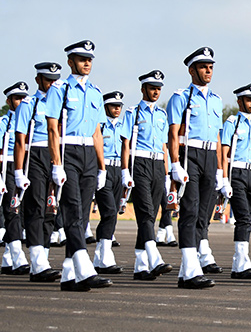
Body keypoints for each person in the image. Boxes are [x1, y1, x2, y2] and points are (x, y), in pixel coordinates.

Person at [46, 40, 113, 291]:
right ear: (70, 61)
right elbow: (53, 129)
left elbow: (97, 133)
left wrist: (102, 167)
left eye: (90, 59)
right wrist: (56, 163)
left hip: (88, 155)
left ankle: (68, 274)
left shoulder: (96, 92)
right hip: (68, 152)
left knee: (82, 215)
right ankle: (85, 269)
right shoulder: (60, 89)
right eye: (81, 58)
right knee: (72, 210)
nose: (87, 63)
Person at [167, 47, 224, 289]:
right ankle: (190, 269)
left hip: (210, 156)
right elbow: (172, 134)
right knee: (189, 210)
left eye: (210, 66)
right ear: (192, 70)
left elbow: (219, 139)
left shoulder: (216, 100)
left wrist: (221, 170)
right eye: (203, 66)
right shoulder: (181, 98)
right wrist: (175, 164)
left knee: (204, 213)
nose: (208, 70)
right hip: (190, 154)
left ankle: (187, 269)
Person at [12, 63, 64, 283]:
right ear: (38, 80)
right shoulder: (29, 104)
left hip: (57, 155)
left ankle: (43, 259)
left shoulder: (60, 102)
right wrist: (18, 171)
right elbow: (20, 140)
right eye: (47, 79)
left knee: (52, 209)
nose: (52, 84)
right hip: (35, 155)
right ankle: (37, 259)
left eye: (55, 80)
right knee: (36, 207)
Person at [122, 71, 173, 281]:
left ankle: (140, 265)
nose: (156, 92)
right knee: (145, 211)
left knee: (150, 216)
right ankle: (154, 258)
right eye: (152, 88)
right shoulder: (132, 113)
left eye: (159, 88)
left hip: (157, 164)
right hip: (140, 163)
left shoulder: (162, 115)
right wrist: (125, 170)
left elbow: (164, 146)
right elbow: (125, 144)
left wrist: (168, 173)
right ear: (143, 89)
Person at [223, 83, 251, 280]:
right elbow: (223, 153)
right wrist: (223, 178)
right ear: (239, 101)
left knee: (248, 218)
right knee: (242, 217)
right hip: (237, 172)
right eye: (249, 100)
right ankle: (241, 262)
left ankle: (238, 263)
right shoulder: (232, 123)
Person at [91, 91, 126, 275]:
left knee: (113, 214)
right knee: (109, 212)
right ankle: (105, 255)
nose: (117, 109)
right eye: (113, 106)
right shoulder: (100, 126)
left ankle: (100, 256)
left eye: (119, 106)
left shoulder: (123, 126)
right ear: (106, 107)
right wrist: (98, 170)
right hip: (103, 170)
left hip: (119, 169)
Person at [2, 81, 30, 276]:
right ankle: (17, 257)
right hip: (9, 167)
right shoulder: (4, 123)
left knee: (25, 213)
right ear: (9, 101)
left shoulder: (31, 119)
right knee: (12, 211)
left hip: (29, 166)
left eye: (23, 98)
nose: (21, 101)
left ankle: (7, 259)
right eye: (17, 98)